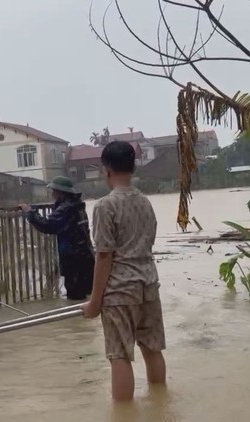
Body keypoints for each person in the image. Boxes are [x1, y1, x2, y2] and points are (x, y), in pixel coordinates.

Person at [81, 140, 166, 402]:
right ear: (133, 168)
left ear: (106, 170)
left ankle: (124, 415)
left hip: (120, 290)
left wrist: (95, 302)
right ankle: (160, 406)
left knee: (119, 355)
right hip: (148, 284)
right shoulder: (145, 202)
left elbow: (104, 256)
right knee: (152, 348)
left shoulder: (106, 205)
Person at [20, 176, 94, 300]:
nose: (52, 194)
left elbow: (47, 225)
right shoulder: (77, 206)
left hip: (73, 260)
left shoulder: (66, 208)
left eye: (54, 191)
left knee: (75, 297)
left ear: (61, 193)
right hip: (85, 257)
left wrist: (30, 212)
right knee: (85, 296)